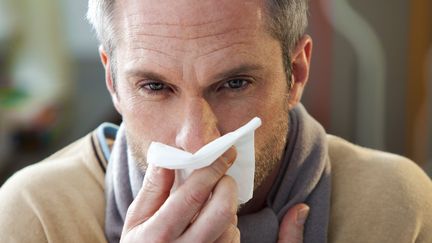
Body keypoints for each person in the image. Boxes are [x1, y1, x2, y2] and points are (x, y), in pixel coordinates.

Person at [1, 0, 432, 242]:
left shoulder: (394, 208)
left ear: (296, 73)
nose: (194, 141)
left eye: (235, 83)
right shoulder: (35, 215)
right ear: (112, 81)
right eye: (154, 87)